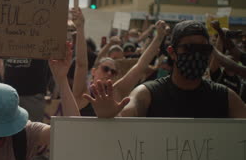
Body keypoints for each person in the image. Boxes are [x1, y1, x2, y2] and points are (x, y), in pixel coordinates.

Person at [88, 20, 246, 118]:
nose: (196, 55)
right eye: (188, 48)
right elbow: (128, 111)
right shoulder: (147, 94)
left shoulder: (225, 98)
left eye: (202, 49)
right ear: (172, 52)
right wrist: (109, 116)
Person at [72, 8, 169, 116]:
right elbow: (81, 65)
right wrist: (80, 27)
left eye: (113, 72)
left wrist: (159, 37)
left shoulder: (117, 91)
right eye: (105, 69)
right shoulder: (83, 94)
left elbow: (140, 67)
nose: (109, 73)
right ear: (94, 71)